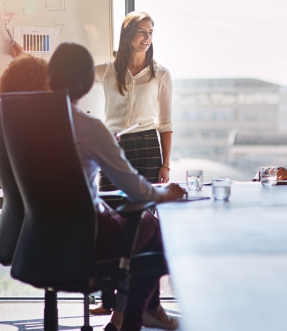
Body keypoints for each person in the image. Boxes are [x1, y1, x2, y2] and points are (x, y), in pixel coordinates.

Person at [47, 42, 184, 331]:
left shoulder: (31, 123)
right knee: (155, 239)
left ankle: (127, 316)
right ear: (87, 84)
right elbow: (137, 190)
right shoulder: (90, 129)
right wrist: (166, 193)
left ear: (51, 77)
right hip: (88, 236)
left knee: (144, 225)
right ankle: (129, 320)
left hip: (43, 236)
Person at [94, 11, 173, 186]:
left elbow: (165, 124)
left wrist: (165, 165)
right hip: (113, 146)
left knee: (144, 210)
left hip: (148, 148)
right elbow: (67, 75)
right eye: (141, 31)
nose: (147, 37)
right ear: (128, 34)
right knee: (109, 204)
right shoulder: (107, 71)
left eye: (150, 32)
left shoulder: (161, 74)